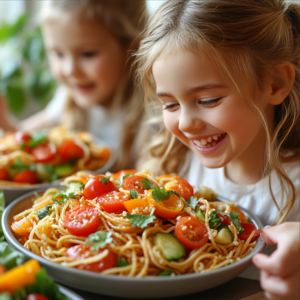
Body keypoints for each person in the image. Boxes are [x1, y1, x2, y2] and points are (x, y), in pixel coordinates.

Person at [135, 0, 300, 299]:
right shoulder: (176, 163)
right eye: (170, 105)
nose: (186, 124)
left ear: (275, 83)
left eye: (209, 100)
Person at [0, 0, 147, 171]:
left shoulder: (151, 116)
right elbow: (23, 139)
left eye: (87, 54)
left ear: (132, 48)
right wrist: (4, 121)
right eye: (58, 54)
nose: (70, 70)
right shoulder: (67, 99)